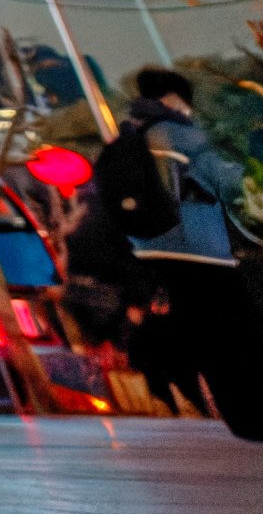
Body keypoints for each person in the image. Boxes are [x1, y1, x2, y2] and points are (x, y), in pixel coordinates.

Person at [106, 66, 263, 440]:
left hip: (152, 251)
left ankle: (240, 420)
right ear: (174, 99)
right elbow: (224, 182)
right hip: (201, 251)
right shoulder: (179, 132)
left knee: (206, 339)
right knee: (239, 334)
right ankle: (255, 415)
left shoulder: (130, 136)